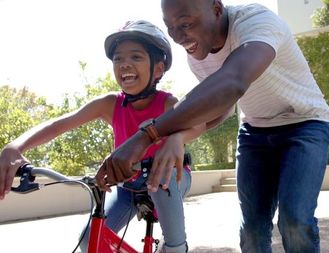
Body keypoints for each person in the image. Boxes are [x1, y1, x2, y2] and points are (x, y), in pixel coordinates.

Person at [85, 1, 329, 252]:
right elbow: (220, 108)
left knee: (294, 220)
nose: (178, 37)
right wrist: (178, 136)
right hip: (255, 132)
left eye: (185, 24)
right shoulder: (198, 55)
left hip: (305, 123)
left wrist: (146, 135)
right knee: (251, 229)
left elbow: (233, 81)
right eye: (170, 27)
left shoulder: (256, 22)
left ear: (216, 9)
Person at [0, 20, 203, 253]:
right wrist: (15, 146)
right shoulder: (110, 104)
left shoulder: (167, 103)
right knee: (89, 240)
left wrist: (178, 138)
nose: (125, 64)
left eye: (136, 57)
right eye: (118, 58)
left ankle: (176, 248)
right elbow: (61, 123)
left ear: (158, 69)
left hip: (168, 181)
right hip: (129, 186)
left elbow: (198, 123)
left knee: (162, 189)